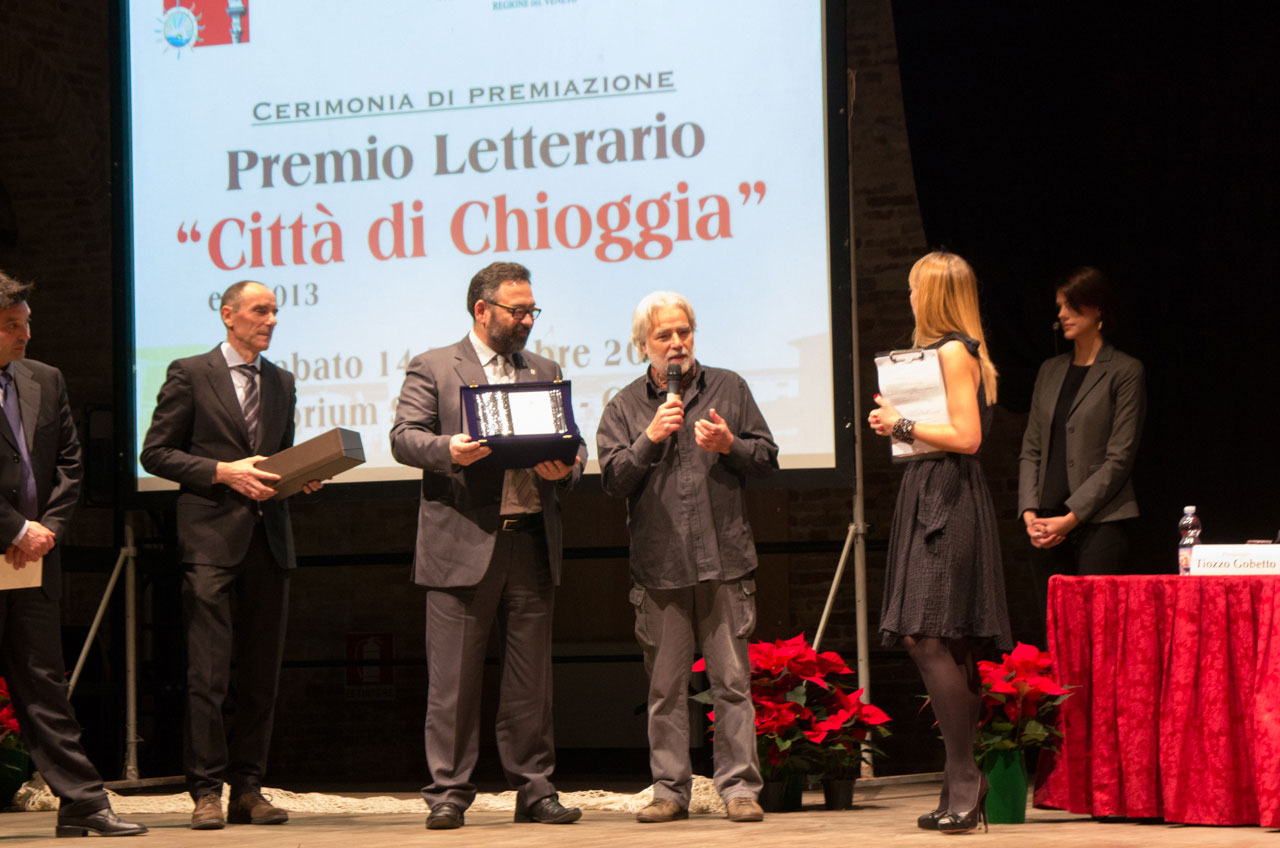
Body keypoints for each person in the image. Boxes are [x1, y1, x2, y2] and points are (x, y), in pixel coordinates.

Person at [390, 261, 585, 830]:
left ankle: (535, 790)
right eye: (516, 311)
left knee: (531, 683)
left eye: (532, 311)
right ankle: (449, 793)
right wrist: (448, 449)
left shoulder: (544, 369)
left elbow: (573, 448)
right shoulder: (434, 365)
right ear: (482, 310)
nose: (527, 320)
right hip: (462, 543)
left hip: (531, 541)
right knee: (453, 682)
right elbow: (404, 438)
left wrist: (566, 469)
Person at [140, 280, 319, 830]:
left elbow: (278, 458)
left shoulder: (282, 381)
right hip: (210, 540)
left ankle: (248, 789)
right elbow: (156, 453)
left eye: (275, 312)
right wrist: (221, 471)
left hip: (270, 540)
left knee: (261, 675)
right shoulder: (190, 373)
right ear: (228, 315)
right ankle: (205, 791)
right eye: (260, 311)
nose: (271, 320)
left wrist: (302, 476)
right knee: (209, 673)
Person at [596, 291, 778, 825]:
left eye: (684, 332)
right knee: (665, 690)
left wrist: (730, 445)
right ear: (642, 346)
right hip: (660, 568)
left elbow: (766, 458)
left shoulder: (729, 387)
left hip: (725, 561)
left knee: (732, 686)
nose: (676, 343)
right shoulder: (624, 406)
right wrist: (649, 437)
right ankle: (669, 791)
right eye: (664, 335)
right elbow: (612, 480)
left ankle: (739, 789)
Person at [0, 273, 148, 838]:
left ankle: (82, 803)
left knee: (43, 685)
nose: (25, 335)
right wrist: (15, 527)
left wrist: (47, 532)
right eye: (11, 326)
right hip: (10, 542)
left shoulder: (46, 378)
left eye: (26, 322)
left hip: (35, 560)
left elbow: (70, 463)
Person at [868, 251, 1011, 835]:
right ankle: (958, 782)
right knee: (947, 642)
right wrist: (898, 424)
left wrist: (900, 425)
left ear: (930, 295)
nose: (908, 298)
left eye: (912, 289)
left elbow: (967, 437)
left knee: (926, 635)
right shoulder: (952, 352)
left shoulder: (954, 351)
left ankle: (964, 774)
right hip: (933, 489)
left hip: (947, 497)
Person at [1018, 267, 1145, 614]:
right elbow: (1031, 449)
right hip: (1046, 522)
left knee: (1096, 629)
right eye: (1060, 306)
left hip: (1101, 522)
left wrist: (1072, 518)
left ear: (1097, 308)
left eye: (1071, 306)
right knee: (1056, 630)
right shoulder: (1050, 370)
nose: (1062, 314)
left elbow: (1119, 459)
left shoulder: (1124, 371)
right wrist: (1029, 513)